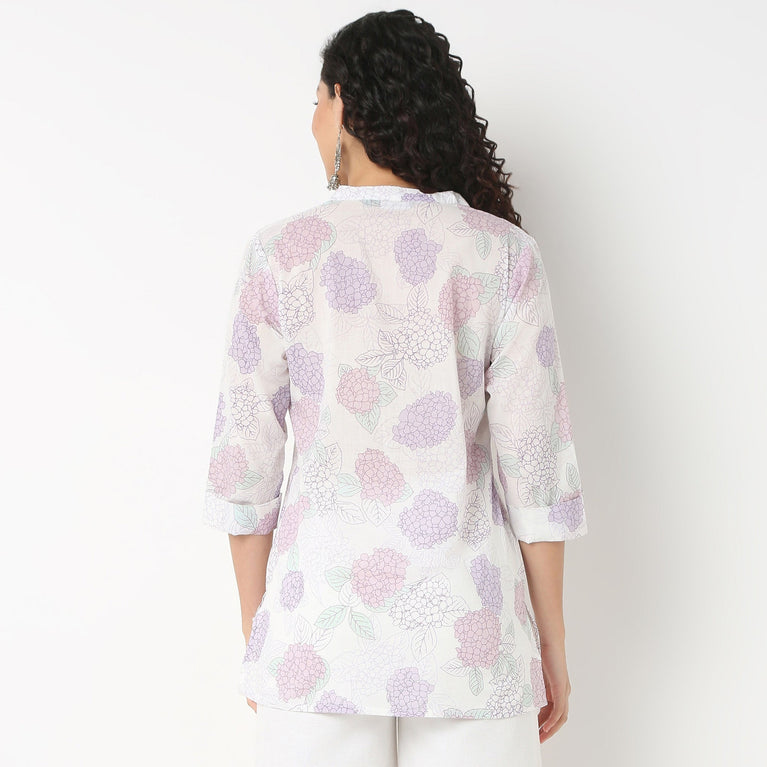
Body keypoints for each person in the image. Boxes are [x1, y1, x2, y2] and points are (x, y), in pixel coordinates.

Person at [202, 9, 588, 767]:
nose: (312, 120)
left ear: (345, 104)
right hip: (471, 640)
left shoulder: (278, 256)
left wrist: (260, 635)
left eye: (317, 100)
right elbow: (537, 474)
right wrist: (550, 643)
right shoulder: (502, 255)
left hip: (315, 637)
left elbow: (243, 475)